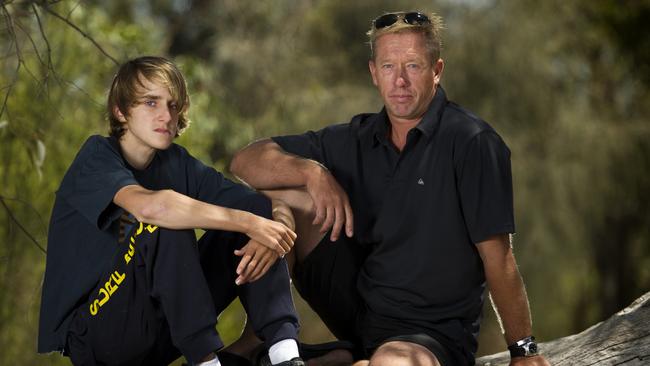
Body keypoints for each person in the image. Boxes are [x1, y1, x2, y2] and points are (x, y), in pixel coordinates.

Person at [230, 11, 551, 366]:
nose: (399, 81)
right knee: (280, 201)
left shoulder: (472, 142)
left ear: (437, 70)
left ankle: (345, 359)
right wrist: (311, 172)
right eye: (388, 67)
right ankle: (257, 344)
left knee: (392, 363)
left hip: (431, 336)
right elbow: (246, 160)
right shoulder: (357, 138)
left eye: (412, 66)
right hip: (362, 313)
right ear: (373, 73)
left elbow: (499, 258)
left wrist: (524, 351)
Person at [38, 56, 305, 366]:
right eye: (151, 103)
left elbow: (257, 204)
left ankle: (285, 353)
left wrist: (276, 224)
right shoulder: (96, 157)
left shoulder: (177, 163)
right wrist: (251, 223)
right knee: (163, 220)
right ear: (120, 110)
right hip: (99, 333)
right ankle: (206, 360)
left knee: (255, 208)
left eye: (173, 105)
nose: (166, 115)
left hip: (163, 329)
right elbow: (153, 207)